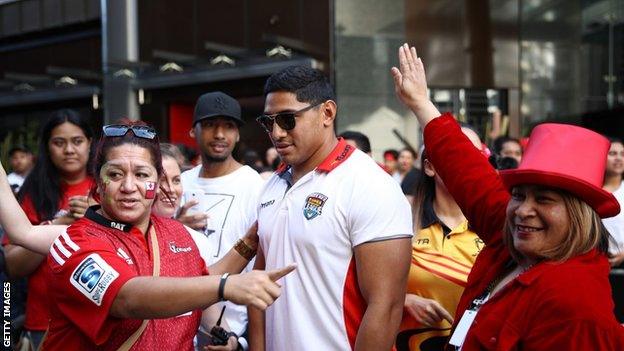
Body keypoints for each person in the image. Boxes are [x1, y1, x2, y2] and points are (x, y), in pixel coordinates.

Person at [392, 43, 624, 350]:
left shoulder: (575, 303)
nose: (523, 210)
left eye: (543, 200)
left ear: (578, 213)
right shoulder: (513, 246)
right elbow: (470, 175)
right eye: (518, 195)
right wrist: (422, 104)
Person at [41, 122, 294, 350]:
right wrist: (225, 287)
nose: (129, 187)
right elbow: (127, 298)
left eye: (141, 174)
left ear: (157, 181)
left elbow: (198, 284)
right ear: (97, 183)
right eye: (115, 174)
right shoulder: (74, 243)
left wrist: (250, 242)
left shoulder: (175, 232)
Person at [249, 65, 413, 351]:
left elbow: (385, 307)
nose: (277, 132)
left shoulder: (369, 184)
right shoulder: (272, 186)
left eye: (288, 119)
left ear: (327, 113)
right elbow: (258, 287)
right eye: (268, 121)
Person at [177, 92, 265, 349]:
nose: (219, 134)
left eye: (228, 126)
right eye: (210, 125)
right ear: (193, 131)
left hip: (234, 330)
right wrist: (176, 228)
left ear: (238, 134)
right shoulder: (180, 183)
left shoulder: (255, 186)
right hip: (180, 324)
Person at [3, 109, 95, 350]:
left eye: (77, 141)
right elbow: (13, 266)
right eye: (59, 143)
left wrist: (97, 215)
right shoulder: (32, 192)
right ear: (47, 146)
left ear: (90, 143)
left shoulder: (108, 187)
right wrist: (58, 226)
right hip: (44, 321)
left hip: (99, 319)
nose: (69, 150)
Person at [155, 145, 256, 350]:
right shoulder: (121, 238)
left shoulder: (195, 241)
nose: (170, 189)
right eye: (160, 180)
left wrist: (228, 338)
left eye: (176, 180)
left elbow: (204, 294)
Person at [397, 133, 485, 351]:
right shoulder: (402, 220)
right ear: (429, 167)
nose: (468, 162)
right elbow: (363, 288)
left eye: (476, 154)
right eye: (456, 153)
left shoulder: (498, 228)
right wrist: (403, 301)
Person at [602, 138, 624, 267]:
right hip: (596, 262)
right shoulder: (592, 191)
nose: (618, 158)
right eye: (613, 153)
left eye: (622, 154)